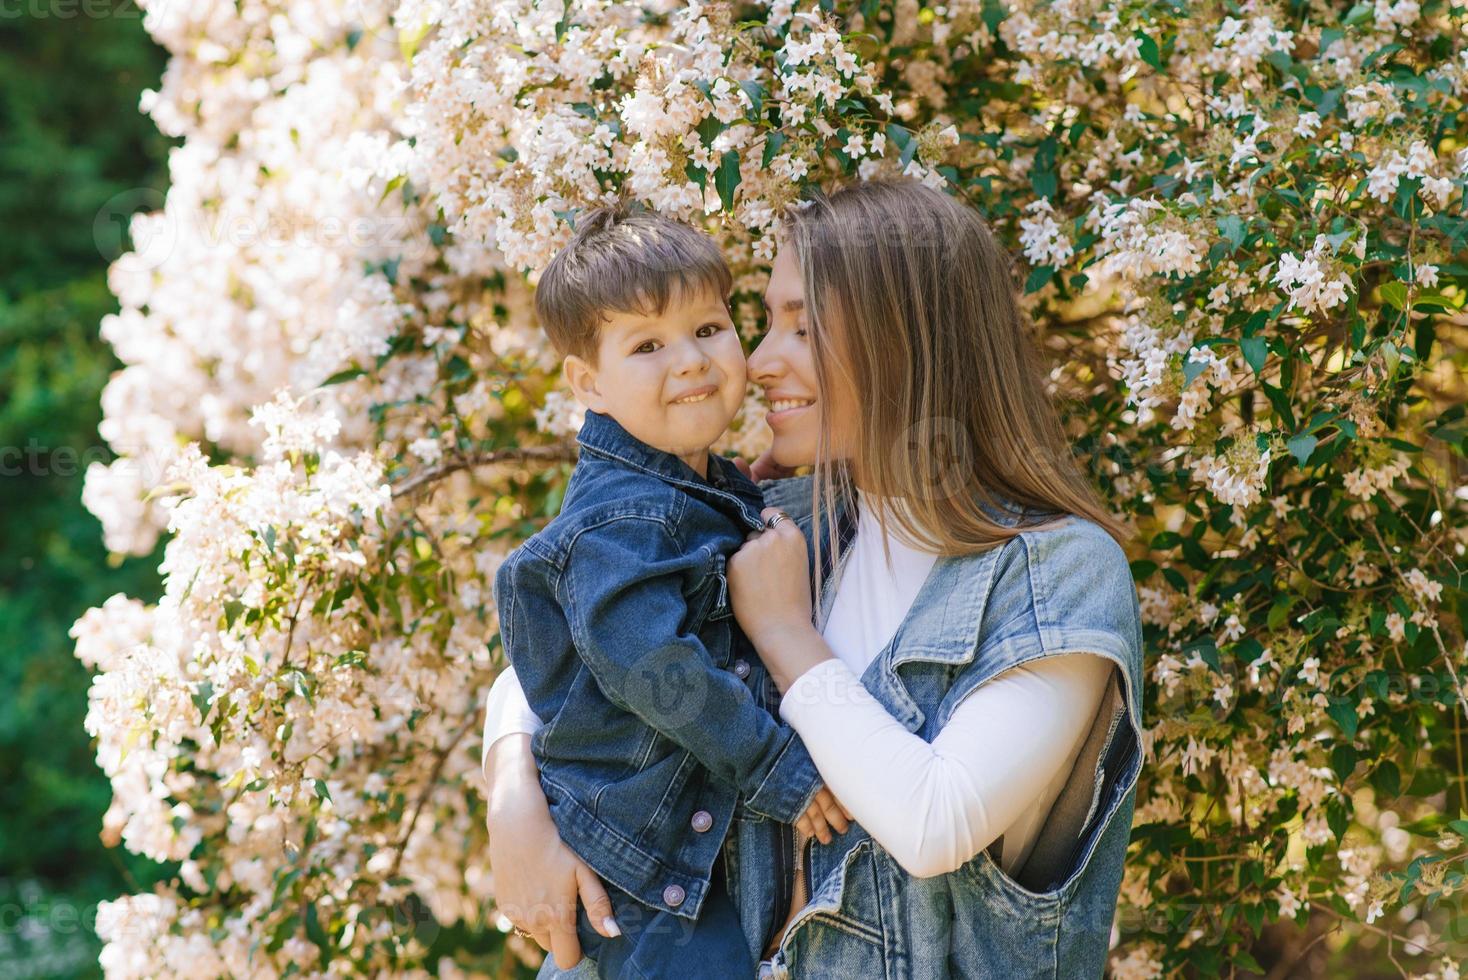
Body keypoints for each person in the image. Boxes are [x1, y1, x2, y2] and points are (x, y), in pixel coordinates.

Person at [482, 178, 1146, 979]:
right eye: (764, 324)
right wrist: (512, 797)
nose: (757, 362)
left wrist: (786, 633)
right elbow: (585, 641)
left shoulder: (1056, 572)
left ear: (907, 341)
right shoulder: (782, 518)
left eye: (801, 327)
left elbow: (935, 821)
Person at [490, 202, 850, 980]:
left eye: (708, 330)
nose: (689, 361)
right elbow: (655, 669)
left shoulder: (707, 489)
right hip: (639, 875)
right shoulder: (618, 522)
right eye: (647, 345)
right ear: (589, 382)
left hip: (678, 863)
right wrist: (774, 766)